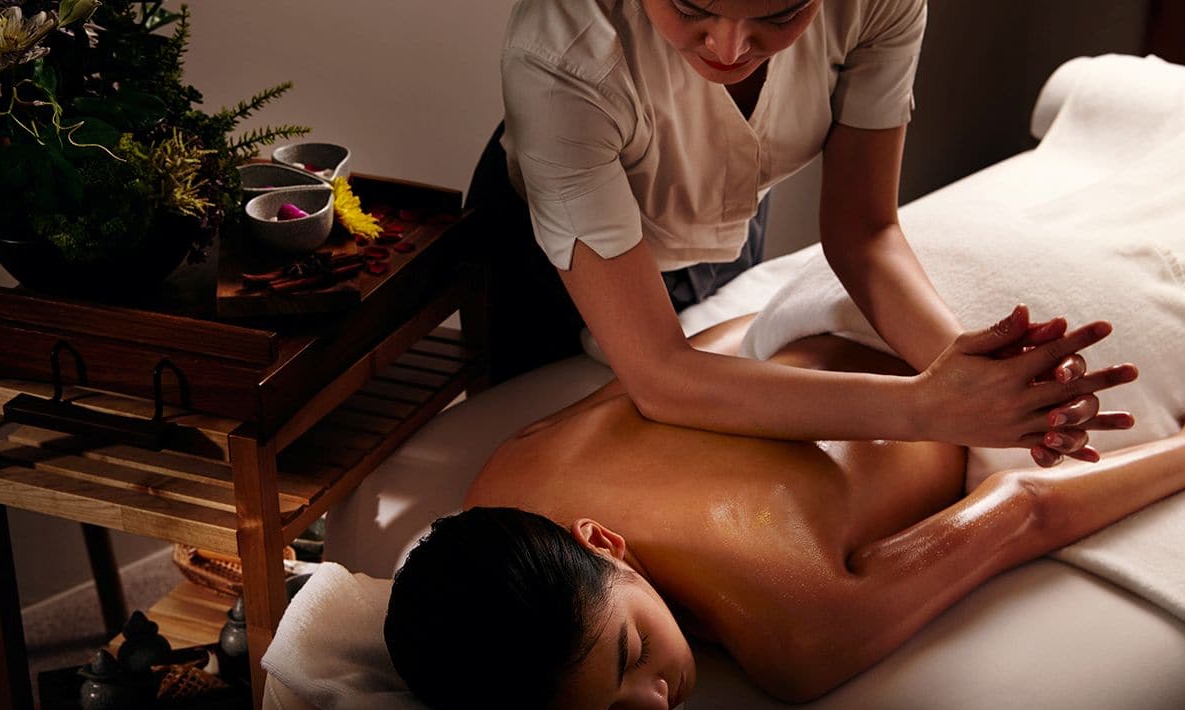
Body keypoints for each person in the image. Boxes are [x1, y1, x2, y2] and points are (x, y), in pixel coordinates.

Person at [382, 316, 1185, 710]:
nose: (653, 701)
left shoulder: (793, 632)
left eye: (631, 652)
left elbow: (1024, 506)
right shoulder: (500, 493)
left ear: (604, 543)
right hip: (804, 308)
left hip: (963, 342)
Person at [467, 0, 1116, 466]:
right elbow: (660, 375)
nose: (728, 50)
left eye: (779, 15)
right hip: (545, 268)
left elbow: (864, 234)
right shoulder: (561, 56)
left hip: (723, 227)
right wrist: (925, 408)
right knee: (531, 469)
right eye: (691, 8)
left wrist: (976, 375)